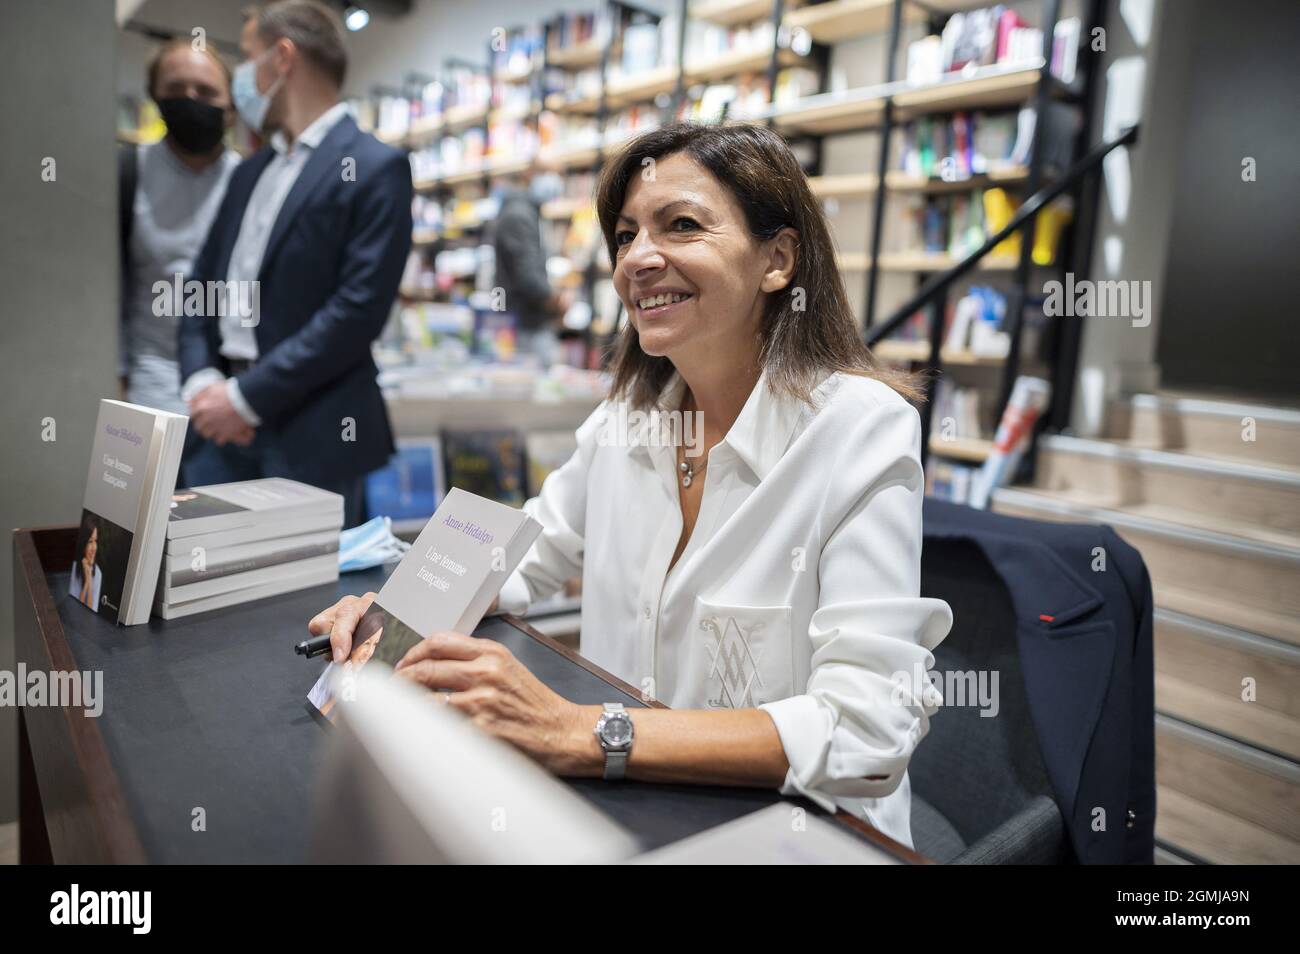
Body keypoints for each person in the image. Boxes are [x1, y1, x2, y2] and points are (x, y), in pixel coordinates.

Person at [309, 122, 953, 847]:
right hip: (627, 815)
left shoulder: (859, 431)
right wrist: (402, 608)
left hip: (796, 833)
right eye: (624, 235)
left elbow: (869, 726)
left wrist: (582, 730)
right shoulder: (632, 418)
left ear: (777, 260)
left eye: (681, 225)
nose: (639, 259)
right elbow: (529, 552)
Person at [178, 0, 412, 527]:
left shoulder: (376, 168)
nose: (242, 76)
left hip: (314, 433)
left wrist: (244, 397)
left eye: (248, 56)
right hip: (215, 429)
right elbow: (200, 287)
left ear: (282, 57)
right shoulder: (249, 172)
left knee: (308, 608)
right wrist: (201, 384)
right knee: (208, 599)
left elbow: (357, 310)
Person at [120, 39, 240, 418]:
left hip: (235, 393)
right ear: (154, 95)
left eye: (206, 91)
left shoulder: (251, 181)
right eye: (175, 89)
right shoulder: (127, 173)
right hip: (150, 385)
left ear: (231, 105)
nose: (191, 99)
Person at [490, 164, 573, 365]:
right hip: (525, 323)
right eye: (549, 173)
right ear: (530, 175)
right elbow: (527, 276)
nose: (555, 181)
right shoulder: (519, 215)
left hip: (523, 319)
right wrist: (555, 300)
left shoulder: (524, 211)